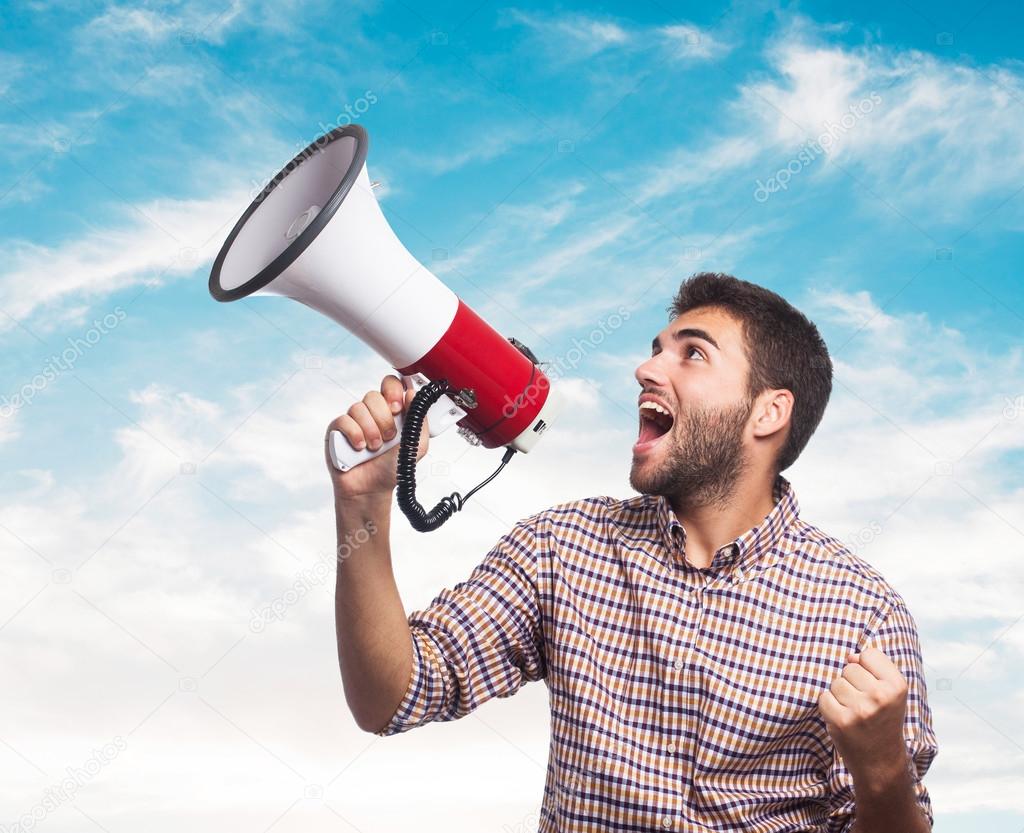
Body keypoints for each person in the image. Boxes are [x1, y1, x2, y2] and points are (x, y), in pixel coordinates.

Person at [326, 272, 938, 832]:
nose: (645, 371)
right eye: (655, 349)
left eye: (692, 354)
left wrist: (882, 771)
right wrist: (363, 506)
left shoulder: (865, 616)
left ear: (768, 411)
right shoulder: (560, 547)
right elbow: (389, 699)